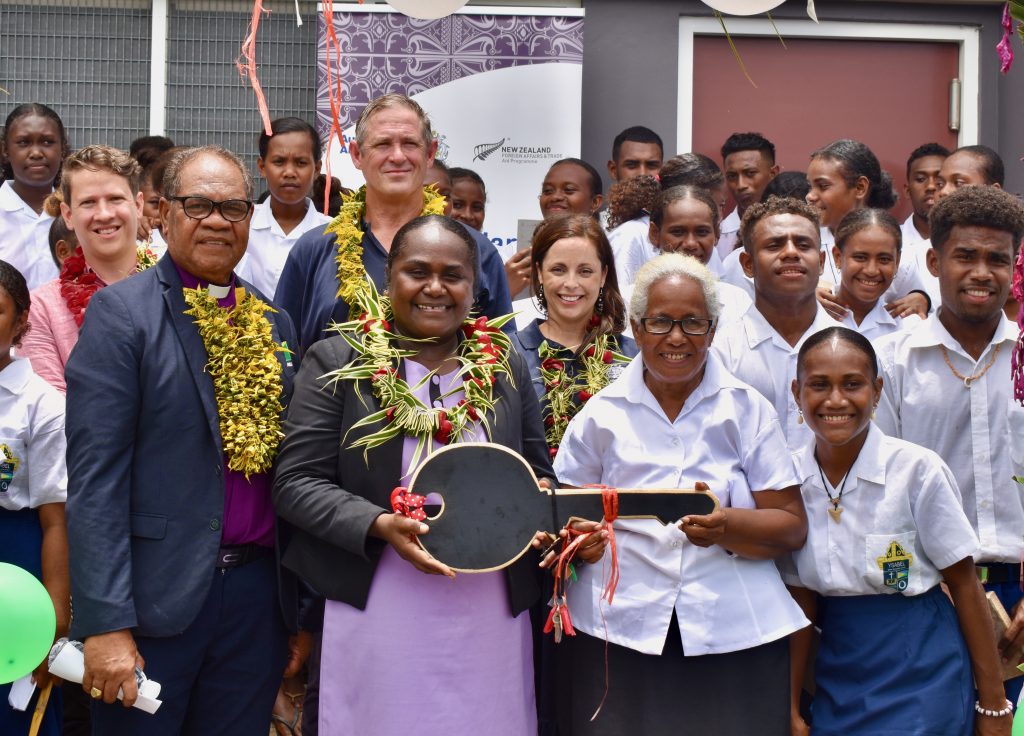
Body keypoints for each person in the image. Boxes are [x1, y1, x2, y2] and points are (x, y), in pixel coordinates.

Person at [273, 214, 554, 734]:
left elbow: (538, 475)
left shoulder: (505, 365)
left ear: (476, 287)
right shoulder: (337, 361)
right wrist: (380, 524)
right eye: (417, 271)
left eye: (453, 275)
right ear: (389, 279)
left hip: (487, 607)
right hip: (377, 596)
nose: (434, 288)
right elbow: (295, 483)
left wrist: (540, 514)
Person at [64, 146, 303, 734]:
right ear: (160, 213)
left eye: (234, 207)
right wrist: (104, 623)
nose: (218, 220)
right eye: (198, 205)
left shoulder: (273, 322)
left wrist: (297, 614)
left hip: (255, 603)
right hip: (153, 604)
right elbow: (96, 482)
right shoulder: (123, 315)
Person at [552, 253, 808, 736]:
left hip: (732, 630)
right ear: (636, 326)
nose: (676, 337)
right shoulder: (601, 414)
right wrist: (580, 542)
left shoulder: (746, 409)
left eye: (692, 323)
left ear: (712, 330)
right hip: (617, 631)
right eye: (661, 322)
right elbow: (565, 514)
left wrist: (726, 525)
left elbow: (791, 524)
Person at [786, 327, 1011, 736]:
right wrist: (791, 707)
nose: (836, 400)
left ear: (876, 391)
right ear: (796, 393)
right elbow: (802, 602)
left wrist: (993, 704)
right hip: (838, 670)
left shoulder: (916, 471)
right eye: (819, 385)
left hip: (922, 666)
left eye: (852, 384)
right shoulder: (787, 480)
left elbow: (963, 585)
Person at [874, 184, 1024, 705]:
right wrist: (910, 581)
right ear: (935, 261)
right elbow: (879, 489)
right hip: (925, 591)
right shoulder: (890, 363)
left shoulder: (1023, 359)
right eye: (966, 256)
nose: (982, 272)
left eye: (997, 259)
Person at [275, 93, 514, 354]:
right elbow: (283, 351)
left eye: (410, 143)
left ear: (431, 153)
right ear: (356, 154)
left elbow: (500, 358)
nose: (397, 156)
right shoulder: (314, 249)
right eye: (383, 144)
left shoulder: (474, 249)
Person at [0, 260, 69, 736]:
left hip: (17, 565)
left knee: (15, 709)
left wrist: (54, 623)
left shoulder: (39, 403)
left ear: (22, 321)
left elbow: (55, 521)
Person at [20, 145, 151, 393]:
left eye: (115, 199)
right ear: (68, 215)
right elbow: (53, 414)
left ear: (138, 205)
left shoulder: (176, 290)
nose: (104, 214)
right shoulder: (41, 308)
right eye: (89, 202)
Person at [711, 196, 838, 448]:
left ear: (822, 262)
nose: (791, 252)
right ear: (748, 265)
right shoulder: (721, 353)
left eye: (803, 245)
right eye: (774, 245)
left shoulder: (851, 347)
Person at [511, 214, 637, 437]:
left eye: (585, 271)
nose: (571, 283)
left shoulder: (632, 357)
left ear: (603, 275)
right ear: (539, 272)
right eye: (558, 270)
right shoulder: (509, 354)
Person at [805, 139, 928, 321]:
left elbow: (916, 297)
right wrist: (804, 297)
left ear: (860, 187)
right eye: (810, 186)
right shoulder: (805, 242)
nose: (810, 196)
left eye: (823, 186)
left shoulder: (894, 248)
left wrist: (922, 299)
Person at [236, 117, 332, 299]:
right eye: (279, 162)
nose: (289, 172)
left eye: (301, 163)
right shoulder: (240, 224)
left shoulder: (334, 233)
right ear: (262, 167)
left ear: (317, 168)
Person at [612, 154, 726, 285]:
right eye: (677, 231)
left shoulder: (705, 246)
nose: (691, 243)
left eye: (722, 205)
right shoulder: (630, 236)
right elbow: (618, 297)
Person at [0, 103, 69, 291]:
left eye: (47, 142)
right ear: (5, 150)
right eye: (23, 142)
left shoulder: (77, 212)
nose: (36, 153)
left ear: (62, 149)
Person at [830, 208, 920, 341]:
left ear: (897, 261)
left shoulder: (910, 328)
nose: (871, 271)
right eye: (860, 257)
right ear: (838, 257)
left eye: (884, 259)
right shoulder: (811, 316)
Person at [900, 143, 949, 308]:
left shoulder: (972, 243)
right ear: (907, 190)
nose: (930, 186)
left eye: (940, 179)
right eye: (921, 179)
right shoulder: (889, 242)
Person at [719, 132, 779, 256]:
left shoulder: (801, 229)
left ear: (773, 174)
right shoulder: (718, 238)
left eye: (750, 173)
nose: (741, 185)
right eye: (732, 176)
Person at [448, 166, 486, 232]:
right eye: (457, 205)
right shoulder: (425, 241)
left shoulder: (485, 242)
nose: (468, 215)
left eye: (477, 207)